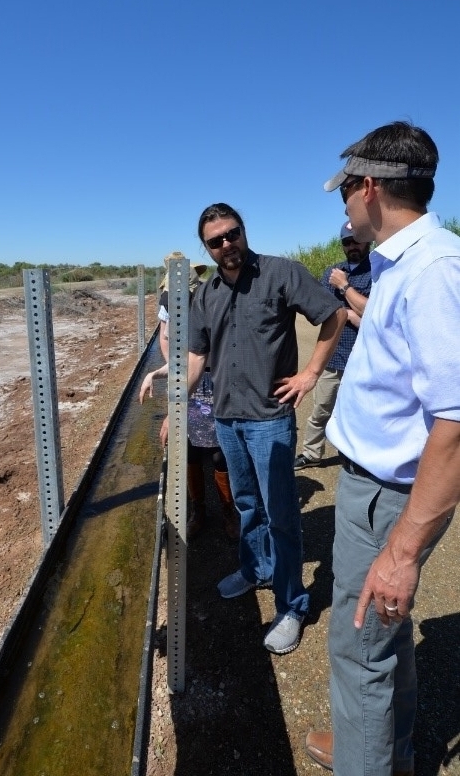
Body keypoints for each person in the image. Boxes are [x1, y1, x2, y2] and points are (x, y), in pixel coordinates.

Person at [305, 121, 460, 776]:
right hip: (373, 487)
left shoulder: (432, 270)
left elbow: (456, 419)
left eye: (344, 190)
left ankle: (365, 757)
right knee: (382, 637)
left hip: (386, 497)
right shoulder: (402, 262)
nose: (341, 204)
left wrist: (400, 551)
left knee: (358, 649)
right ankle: (382, 749)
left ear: (367, 186)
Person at [186, 203, 347, 654]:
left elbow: (332, 316)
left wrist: (310, 374)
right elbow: (198, 355)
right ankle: (255, 569)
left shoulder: (281, 273)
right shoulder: (207, 293)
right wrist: (174, 396)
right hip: (227, 417)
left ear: (243, 231)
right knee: (245, 504)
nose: (226, 245)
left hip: (269, 420)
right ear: (207, 248)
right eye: (215, 241)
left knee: (280, 514)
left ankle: (292, 604)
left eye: (231, 234)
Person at [139, 252, 241, 541]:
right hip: (189, 381)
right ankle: (199, 509)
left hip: (215, 381)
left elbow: (204, 355)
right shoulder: (169, 301)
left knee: (222, 449)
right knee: (190, 448)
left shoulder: (213, 302)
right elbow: (171, 344)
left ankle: (228, 510)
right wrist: (159, 372)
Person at [294, 220, 371, 469]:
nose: (352, 246)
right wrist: (350, 312)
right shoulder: (331, 271)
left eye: (356, 240)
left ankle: (358, 457)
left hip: (364, 359)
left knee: (361, 413)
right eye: (347, 242)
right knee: (320, 410)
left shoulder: (378, 272)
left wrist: (344, 288)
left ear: (366, 240)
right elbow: (324, 313)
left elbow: (375, 318)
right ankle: (311, 453)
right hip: (333, 356)